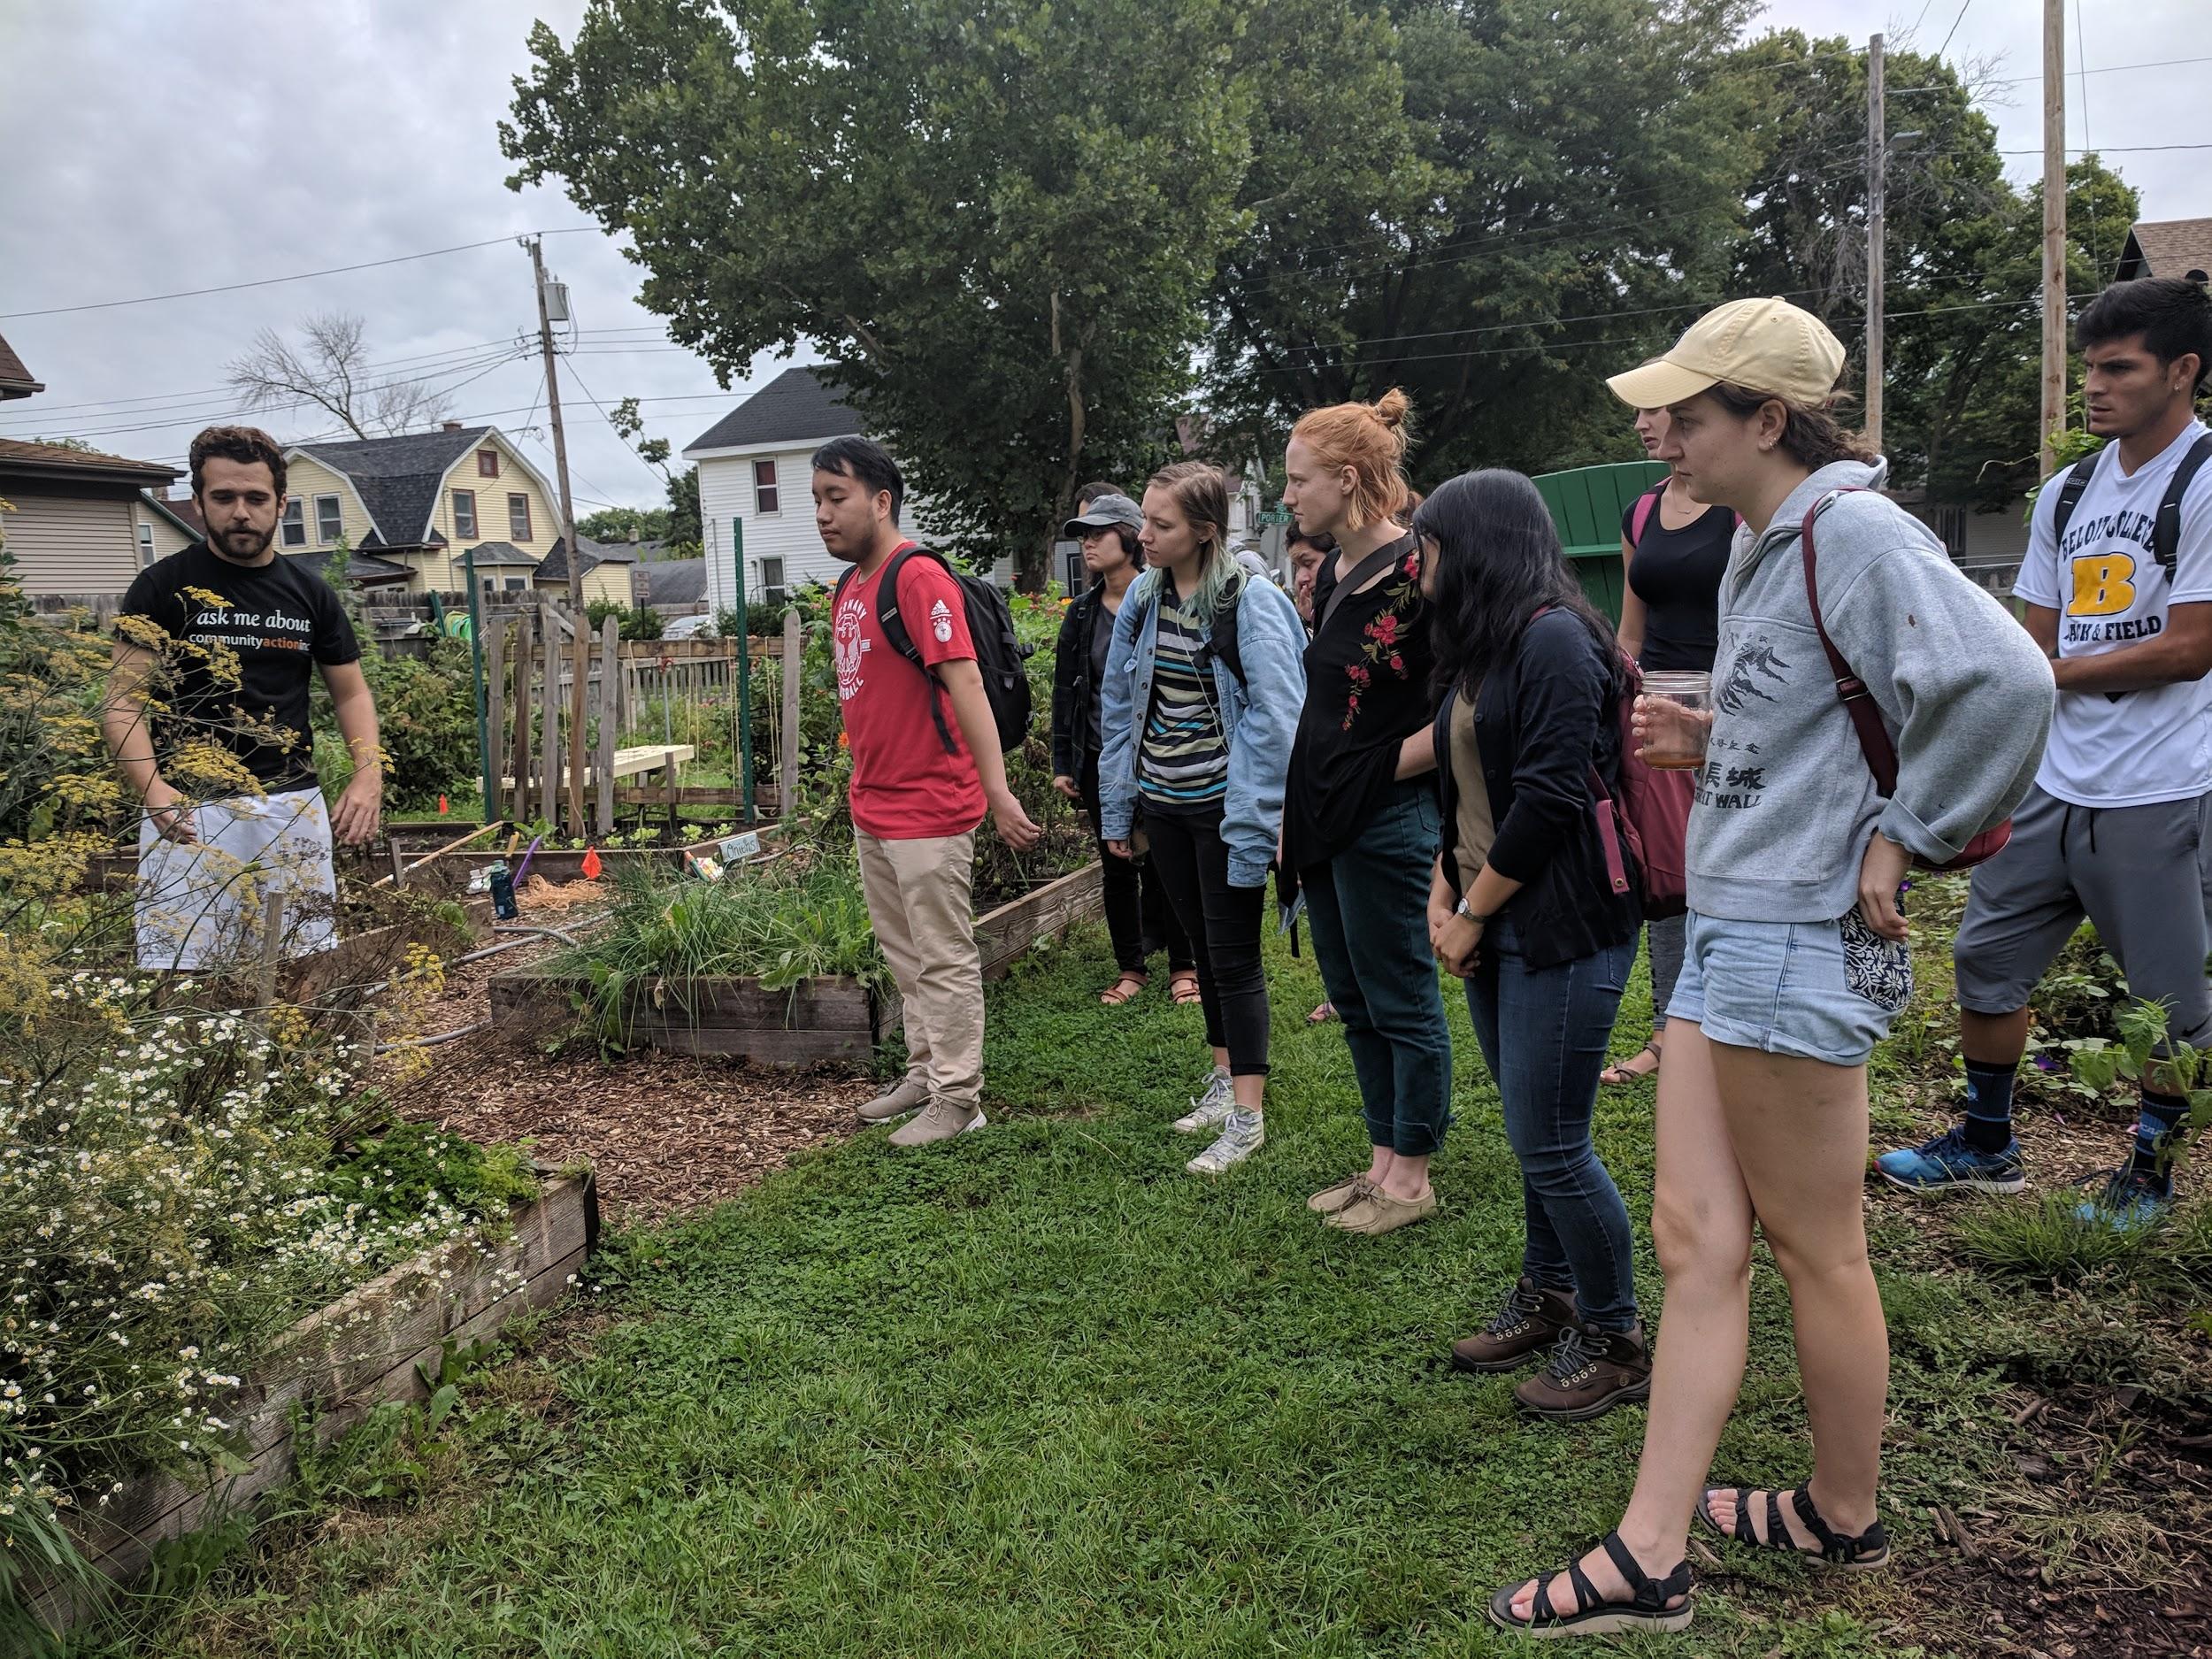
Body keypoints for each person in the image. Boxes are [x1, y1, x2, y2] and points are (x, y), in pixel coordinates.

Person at [1486, 298, 2051, 1638]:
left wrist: (1904, 838)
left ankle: (1787, 1524)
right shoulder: (1761, 543)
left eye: (1684, 413)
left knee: (1816, 1248)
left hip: (1794, 935)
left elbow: (2011, 679)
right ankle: (1697, 1535)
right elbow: (1809, 711)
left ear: (1766, 419)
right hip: (1736, 925)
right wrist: (1711, 734)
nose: (1656, 431)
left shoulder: (1849, 531)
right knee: (1698, 1239)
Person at [1879, 276, 2212, 1227]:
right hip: (2054, 780)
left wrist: (2047, 678)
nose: (2094, 388)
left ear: (2181, 372)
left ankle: (2149, 1174)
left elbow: (2192, 643)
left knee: (2163, 1001)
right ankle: (1987, 1144)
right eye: (2091, 368)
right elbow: (2032, 639)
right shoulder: (2067, 492)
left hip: (2162, 781)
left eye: (2119, 369)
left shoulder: (2201, 481)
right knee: (1985, 958)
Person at [1420, 470, 1649, 1402]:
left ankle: (1615, 1340)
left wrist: (1472, 911)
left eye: (1429, 546)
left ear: (1474, 547)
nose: (1417, 564)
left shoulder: (1554, 639)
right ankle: (1551, 1294)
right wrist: (1447, 889)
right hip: (1493, 919)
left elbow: (1552, 798)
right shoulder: (1484, 646)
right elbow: (1465, 789)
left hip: (1561, 925)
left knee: (1552, 1141)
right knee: (1533, 1135)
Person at [817, 435, 1042, 1148]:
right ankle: (925, 1071)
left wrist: (998, 792)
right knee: (904, 952)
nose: (822, 513)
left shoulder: (915, 578)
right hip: (874, 803)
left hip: (930, 804)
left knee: (942, 954)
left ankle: (959, 1098)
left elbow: (966, 683)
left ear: (881, 501)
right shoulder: (849, 588)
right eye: (816, 499)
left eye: (836, 496)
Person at [104, 425, 383, 971]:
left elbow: (351, 693)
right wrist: (152, 788)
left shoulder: (310, 593)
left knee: (300, 967)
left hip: (289, 804)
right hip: (187, 810)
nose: (240, 513)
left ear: (280, 503)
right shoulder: (163, 588)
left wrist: (368, 774)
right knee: (185, 973)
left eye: (256, 498)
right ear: (199, 501)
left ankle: (298, 1059)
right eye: (224, 497)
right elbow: (121, 700)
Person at [1097, 460, 1306, 1174]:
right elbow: (1121, 708)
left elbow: (1278, 719)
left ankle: (1247, 1116)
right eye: (1144, 522)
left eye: (1161, 525)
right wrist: (1121, 806)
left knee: (1235, 954)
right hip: (1166, 802)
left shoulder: (1248, 600)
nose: (1143, 535)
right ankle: (1223, 1082)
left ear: (1205, 531)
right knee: (1203, 946)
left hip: (1226, 808)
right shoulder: (1145, 600)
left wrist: (1256, 814)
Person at [1279, 393, 1452, 1234]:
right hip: (1327, 818)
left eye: (1297, 480)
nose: (1287, 497)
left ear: (1347, 480)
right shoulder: (1338, 572)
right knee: (1353, 996)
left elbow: (1469, 707)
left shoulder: (1423, 572)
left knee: (1401, 995)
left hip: (1388, 819)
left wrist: (1382, 766)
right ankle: (1383, 1158)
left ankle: (1412, 1180)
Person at [1601, 403, 1737, 1087]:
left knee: (1719, 868)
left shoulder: (1739, 507)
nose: (1642, 426)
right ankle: (1666, 1030)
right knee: (1667, 870)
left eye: (1655, 411)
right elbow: (1631, 631)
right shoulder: (1640, 513)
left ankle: (1718, 1024)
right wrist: (1623, 705)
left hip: (1730, 713)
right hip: (1655, 708)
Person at [1049, 490, 1199, 1009]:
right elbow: (1067, 687)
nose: (1088, 543)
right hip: (1101, 756)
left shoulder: (1165, 598)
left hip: (1162, 754)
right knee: (1115, 862)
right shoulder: (1084, 611)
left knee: (1168, 861)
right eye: (1083, 535)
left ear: (1131, 537)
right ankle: (1131, 967)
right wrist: (1064, 762)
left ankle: (1185, 967)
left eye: (1099, 533)